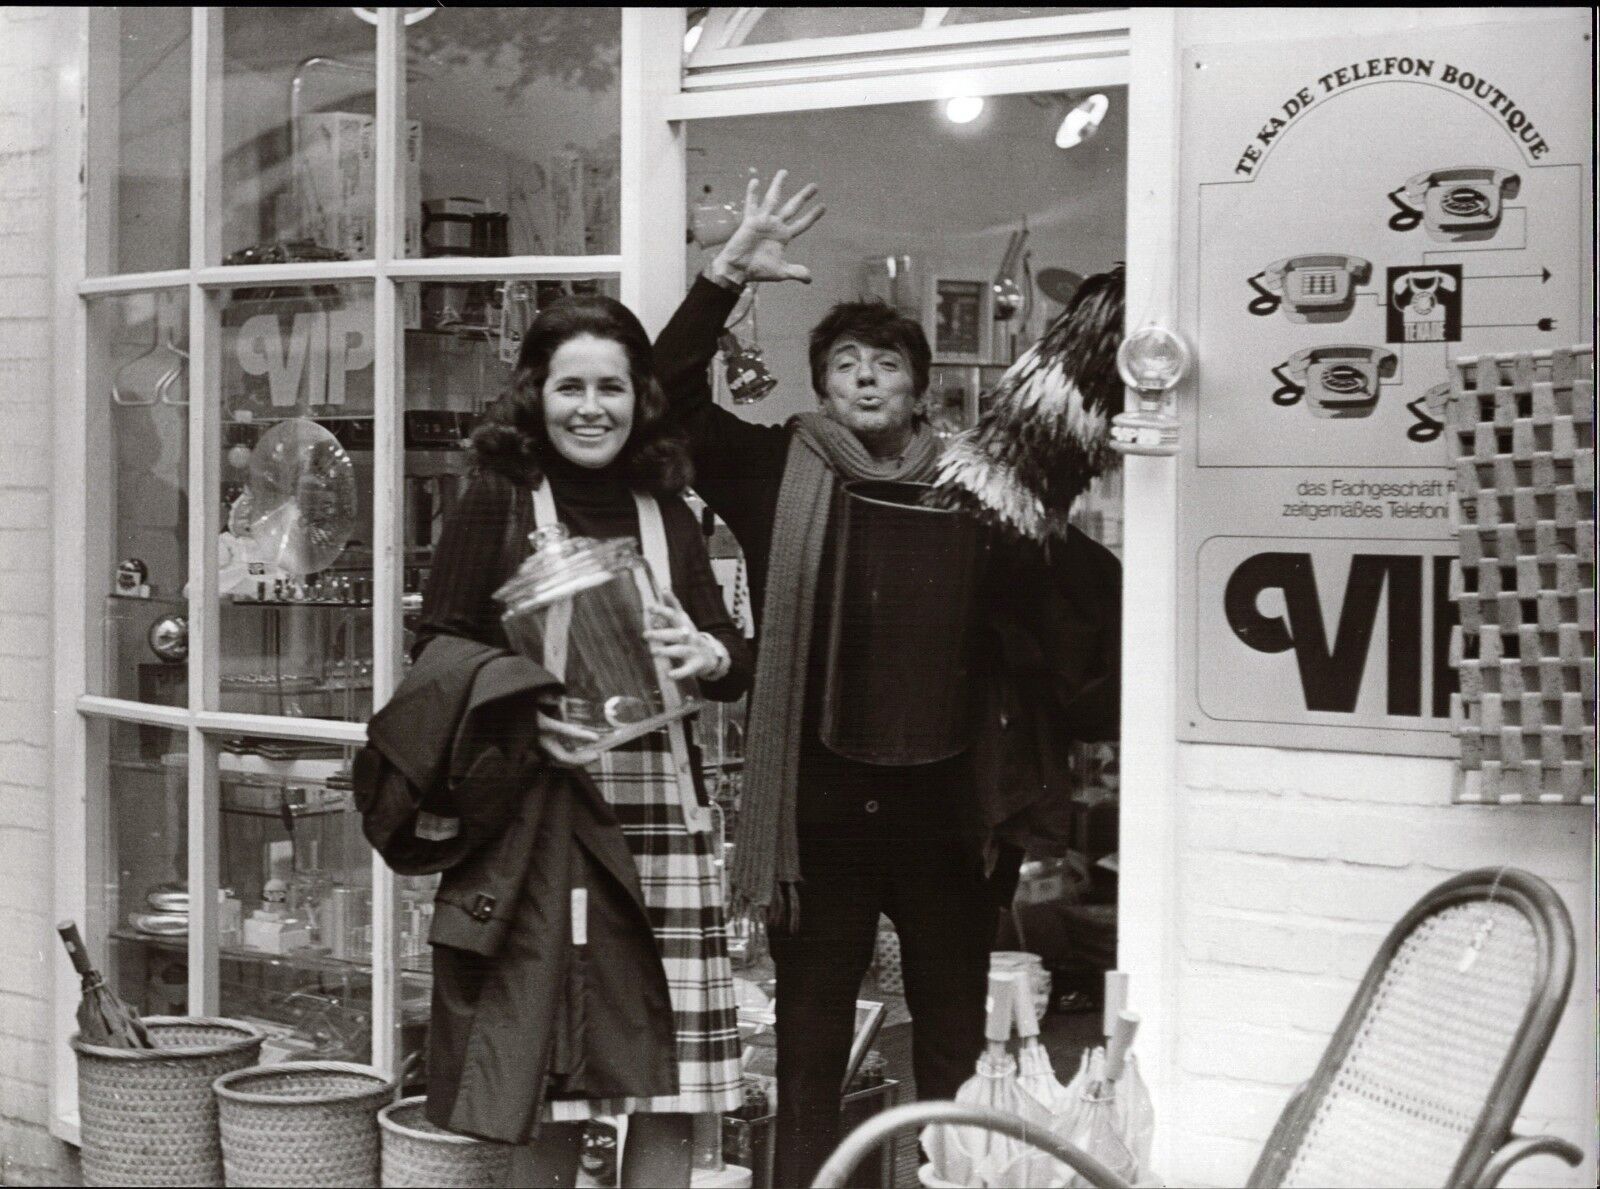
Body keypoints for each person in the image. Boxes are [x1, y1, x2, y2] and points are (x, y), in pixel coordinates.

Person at [653, 173, 991, 1187]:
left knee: (953, 1052)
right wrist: (720, 278)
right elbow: (663, 395)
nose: (865, 378)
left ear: (919, 386)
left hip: (945, 812)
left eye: (886, 362)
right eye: (844, 363)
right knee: (805, 1059)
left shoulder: (976, 488)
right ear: (820, 384)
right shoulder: (767, 472)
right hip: (818, 817)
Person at [413, 293, 753, 1188]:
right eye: (570, 387)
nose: (590, 407)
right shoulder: (498, 497)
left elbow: (733, 654)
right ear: (536, 394)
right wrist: (522, 707)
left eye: (611, 386)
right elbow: (436, 651)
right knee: (553, 1079)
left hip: (662, 819)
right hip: (546, 816)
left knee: (672, 1091)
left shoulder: (668, 510)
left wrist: (708, 648)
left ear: (640, 396)